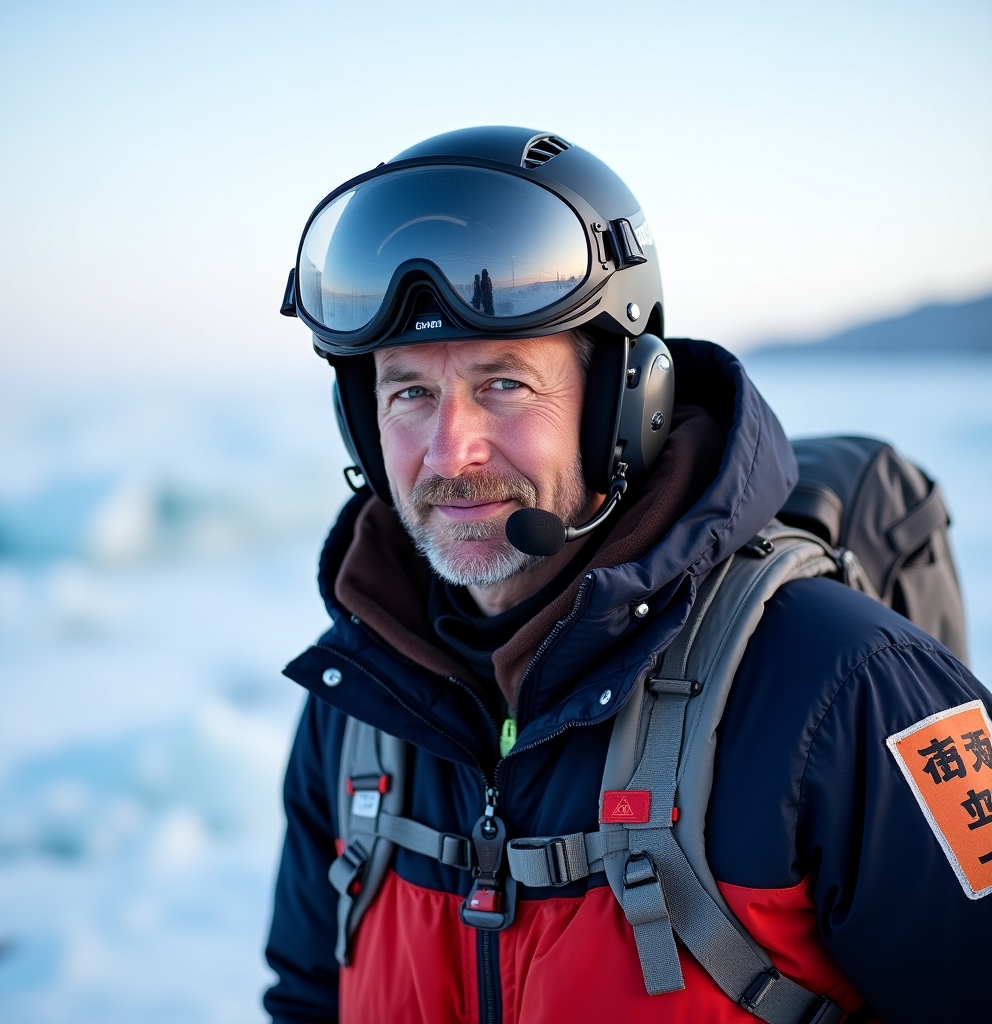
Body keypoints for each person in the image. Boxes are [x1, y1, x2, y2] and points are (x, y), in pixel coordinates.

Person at [265, 127, 992, 1023]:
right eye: (409, 392)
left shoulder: (849, 686)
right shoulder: (358, 702)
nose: (450, 451)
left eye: (504, 384)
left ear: (626, 406)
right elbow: (307, 997)